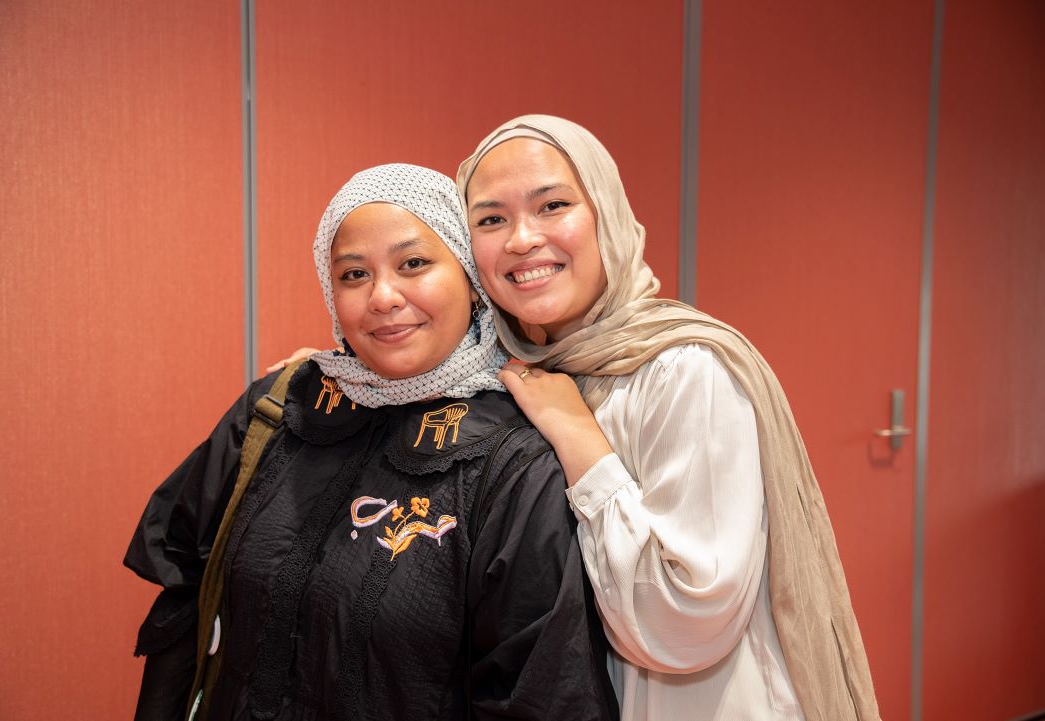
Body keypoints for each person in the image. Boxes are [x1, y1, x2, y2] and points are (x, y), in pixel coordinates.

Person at [273, 117, 881, 721]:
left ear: (606, 214)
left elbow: (687, 627)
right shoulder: (531, 371)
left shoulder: (683, 370)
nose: (521, 239)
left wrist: (580, 440)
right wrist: (347, 375)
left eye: (553, 205)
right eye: (490, 219)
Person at [125, 163, 619, 721]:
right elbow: (180, 605)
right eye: (354, 275)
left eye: (414, 264)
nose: (383, 297)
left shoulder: (513, 459)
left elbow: (540, 694)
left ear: (470, 278)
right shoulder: (281, 406)